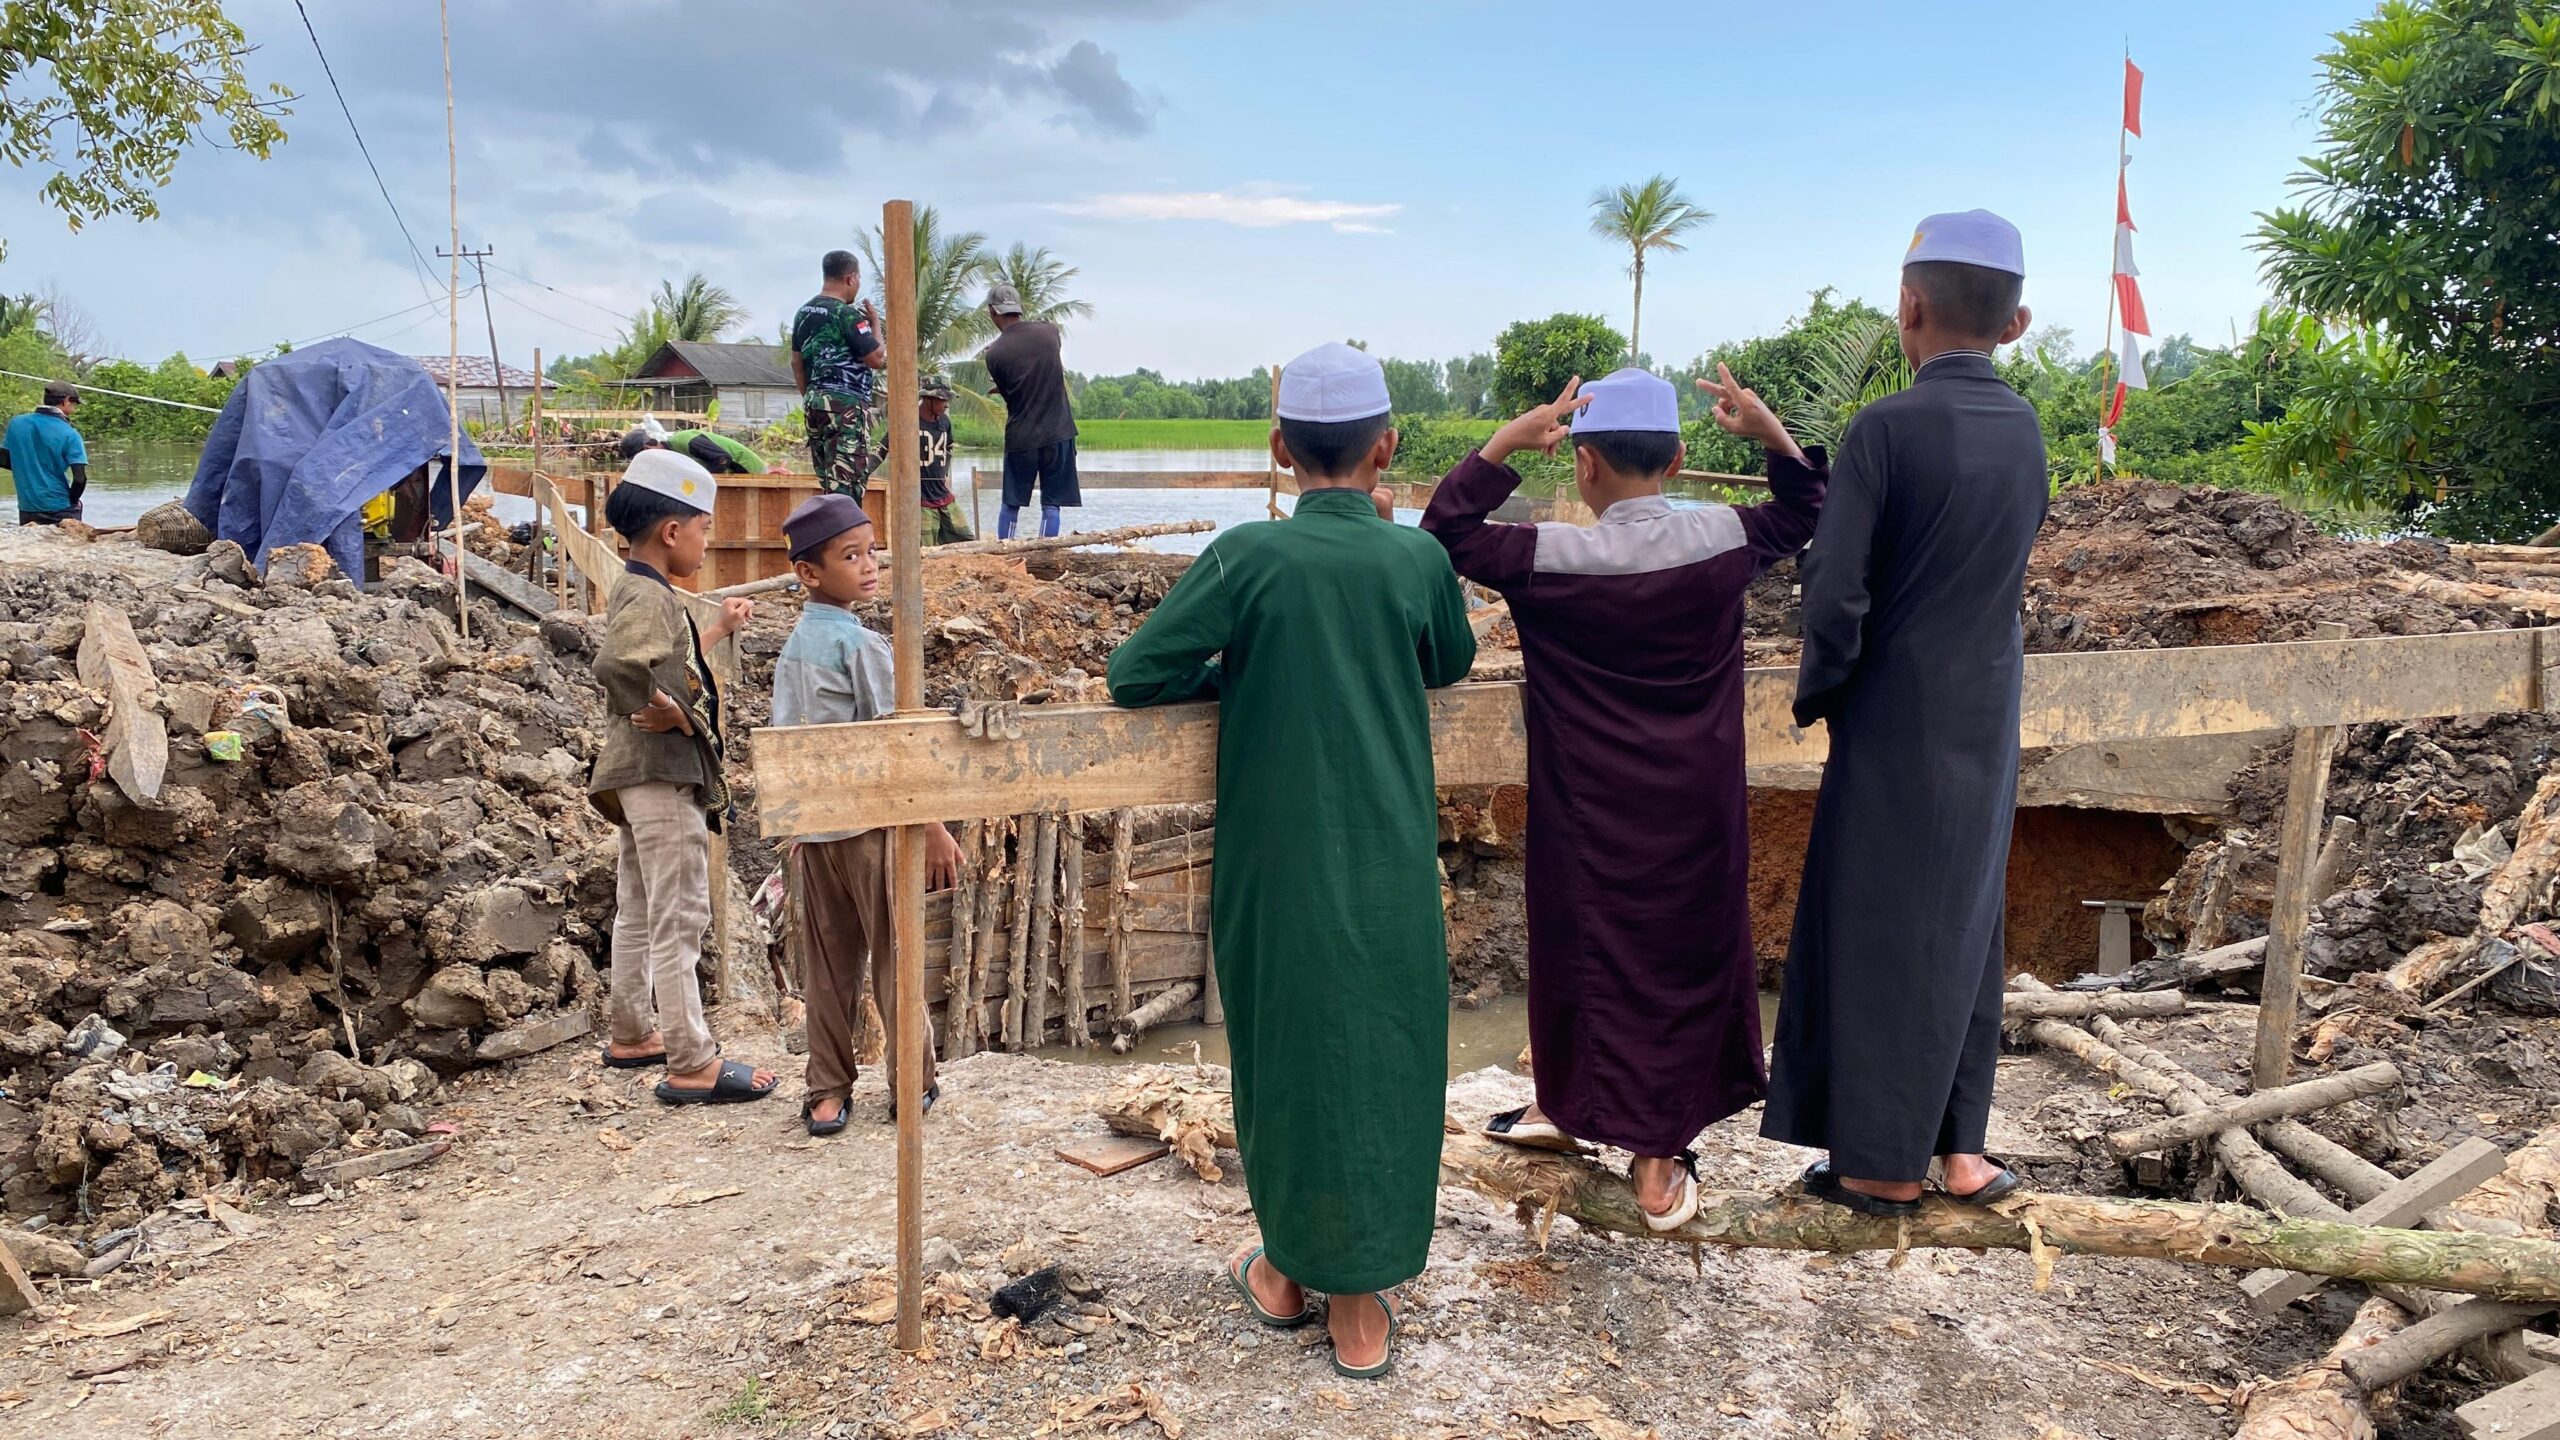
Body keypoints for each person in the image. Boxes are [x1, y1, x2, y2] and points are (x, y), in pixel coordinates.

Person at [1107, 342, 1475, 1381]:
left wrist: (1240, 665)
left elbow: (1136, 675)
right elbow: (1449, 660)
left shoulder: (1246, 560)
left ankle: (1286, 1271)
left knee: (1286, 1058)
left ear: (1279, 451)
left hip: (1277, 863)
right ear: (1387, 448)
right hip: (1390, 861)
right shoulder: (1417, 562)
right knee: (1387, 1059)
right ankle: (1360, 1303)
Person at [1420, 365, 1825, 1231]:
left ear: (1584, 466)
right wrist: (1770, 431)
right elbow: (1807, 510)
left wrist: (1504, 443)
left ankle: (1572, 1107)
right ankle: (1654, 1160)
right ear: (1678, 460)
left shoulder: (1546, 560)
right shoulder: (1722, 542)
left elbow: (1445, 531)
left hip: (1585, 815)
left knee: (1585, 960)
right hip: (1697, 810)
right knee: (1682, 963)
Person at [1758, 210, 2047, 1215]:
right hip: (1986, 712)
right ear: (2014, 324)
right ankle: (1962, 1152)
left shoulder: (1884, 429)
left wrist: (1827, 690)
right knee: (1965, 919)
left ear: (1907, 307)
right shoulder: (2024, 429)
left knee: (1881, 924)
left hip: (1897, 716)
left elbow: (1835, 587)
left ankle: (1880, 1163)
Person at [587, 447, 778, 1106]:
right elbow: (621, 665)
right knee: (682, 914)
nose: (706, 543)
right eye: (702, 530)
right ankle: (692, 1058)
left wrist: (717, 628)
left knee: (639, 908)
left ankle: (632, 1030)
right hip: (662, 775)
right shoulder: (647, 594)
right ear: (672, 532)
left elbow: (668, 660)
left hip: (635, 777)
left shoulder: (645, 588)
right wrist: (663, 711)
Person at [771, 493, 964, 1134]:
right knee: (896, 961)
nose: (869, 565)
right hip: (869, 831)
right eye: (851, 556)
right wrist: (934, 827)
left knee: (827, 970)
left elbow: (788, 742)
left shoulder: (796, 645)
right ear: (809, 572)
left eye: (871, 551)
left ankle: (827, 1092)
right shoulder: (861, 646)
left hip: (816, 830)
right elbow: (895, 747)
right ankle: (913, 1086)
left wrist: (798, 825)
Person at [980, 282, 1078, 540]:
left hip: (1022, 437)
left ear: (992, 312)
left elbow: (1011, 391)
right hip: (1059, 433)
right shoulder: (1049, 332)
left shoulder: (994, 354)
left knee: (1011, 503)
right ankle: (1047, 553)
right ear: (1019, 309)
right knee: (1051, 504)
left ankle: (1005, 555)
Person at [791, 250, 888, 502]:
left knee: (827, 484)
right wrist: (875, 324)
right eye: (858, 279)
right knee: (847, 488)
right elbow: (876, 359)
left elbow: (796, 362)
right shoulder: (847, 315)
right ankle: (848, 540)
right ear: (850, 278)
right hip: (846, 406)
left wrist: (812, 396)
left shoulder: (803, 313)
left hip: (815, 403)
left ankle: (830, 537)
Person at [3, 381, 90, 526]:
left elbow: (3, 460)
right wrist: (72, 501)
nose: (74, 409)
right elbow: (80, 479)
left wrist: (29, 468)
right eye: (74, 404)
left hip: (27, 506)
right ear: (66, 401)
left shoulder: (16, 423)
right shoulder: (70, 433)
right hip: (59, 506)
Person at [917, 376, 974, 544]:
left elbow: (948, 448)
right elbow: (882, 448)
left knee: (966, 538)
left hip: (942, 494)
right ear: (928, 399)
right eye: (943, 399)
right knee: (925, 548)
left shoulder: (944, 422)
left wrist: (944, 473)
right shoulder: (909, 421)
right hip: (920, 500)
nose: (947, 405)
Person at [621, 424, 769, 475]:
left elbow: (723, 459)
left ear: (647, 448)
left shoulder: (684, 440)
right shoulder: (673, 453)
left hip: (749, 470)